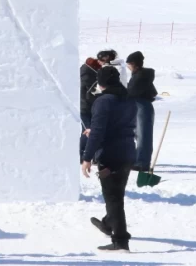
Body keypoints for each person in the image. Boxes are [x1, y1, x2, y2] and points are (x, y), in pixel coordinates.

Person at [82, 66, 137, 252]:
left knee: (113, 198)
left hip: (110, 154)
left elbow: (98, 133)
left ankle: (120, 241)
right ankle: (107, 224)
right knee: (116, 194)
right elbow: (119, 124)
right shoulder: (129, 99)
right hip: (128, 151)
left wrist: (87, 157)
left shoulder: (103, 101)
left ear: (101, 82)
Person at [125, 51, 158, 172]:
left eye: (129, 64)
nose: (128, 67)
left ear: (135, 64)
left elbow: (132, 91)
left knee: (143, 134)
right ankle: (138, 159)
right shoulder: (138, 74)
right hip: (137, 105)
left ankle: (142, 162)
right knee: (138, 134)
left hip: (142, 106)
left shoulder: (141, 75)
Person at [79, 53, 104, 160]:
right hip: (86, 107)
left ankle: (84, 154)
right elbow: (89, 94)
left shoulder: (85, 73)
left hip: (86, 107)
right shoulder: (88, 76)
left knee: (87, 131)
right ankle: (84, 154)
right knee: (88, 131)